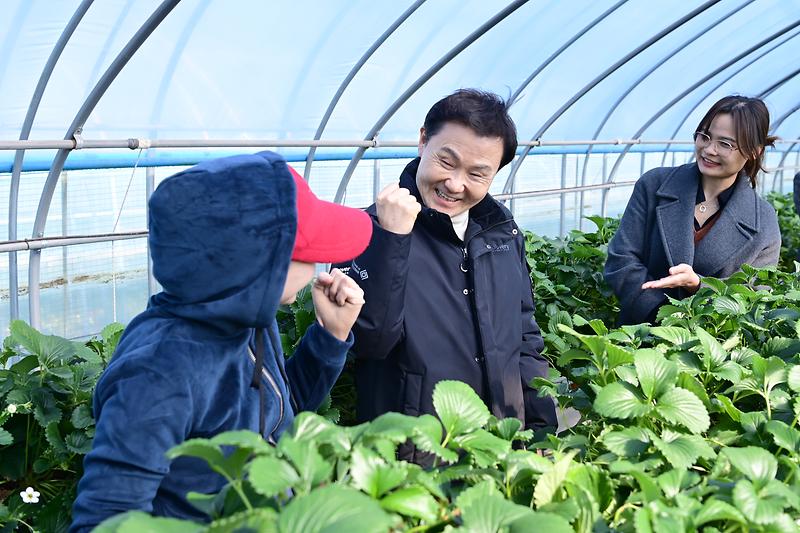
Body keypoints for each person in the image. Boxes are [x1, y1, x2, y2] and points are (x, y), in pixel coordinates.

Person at [70, 151, 371, 530]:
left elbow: (278, 412)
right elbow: (106, 519)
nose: (319, 266)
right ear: (260, 264)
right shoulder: (160, 371)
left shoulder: (248, 322)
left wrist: (331, 335)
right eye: (307, 253)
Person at [336, 89, 556, 462]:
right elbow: (370, 342)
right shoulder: (365, 229)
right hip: (416, 453)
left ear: (495, 173)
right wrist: (393, 240)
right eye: (446, 161)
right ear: (423, 141)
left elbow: (524, 334)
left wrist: (540, 433)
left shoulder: (500, 231)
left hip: (499, 442)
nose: (455, 184)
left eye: (476, 174)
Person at [605, 95, 781, 325]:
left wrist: (698, 285)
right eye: (704, 136)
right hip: (638, 337)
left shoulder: (764, 223)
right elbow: (621, 260)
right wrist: (664, 319)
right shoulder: (654, 185)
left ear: (754, 151)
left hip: (708, 352)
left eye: (725, 144)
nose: (709, 150)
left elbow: (753, 299)